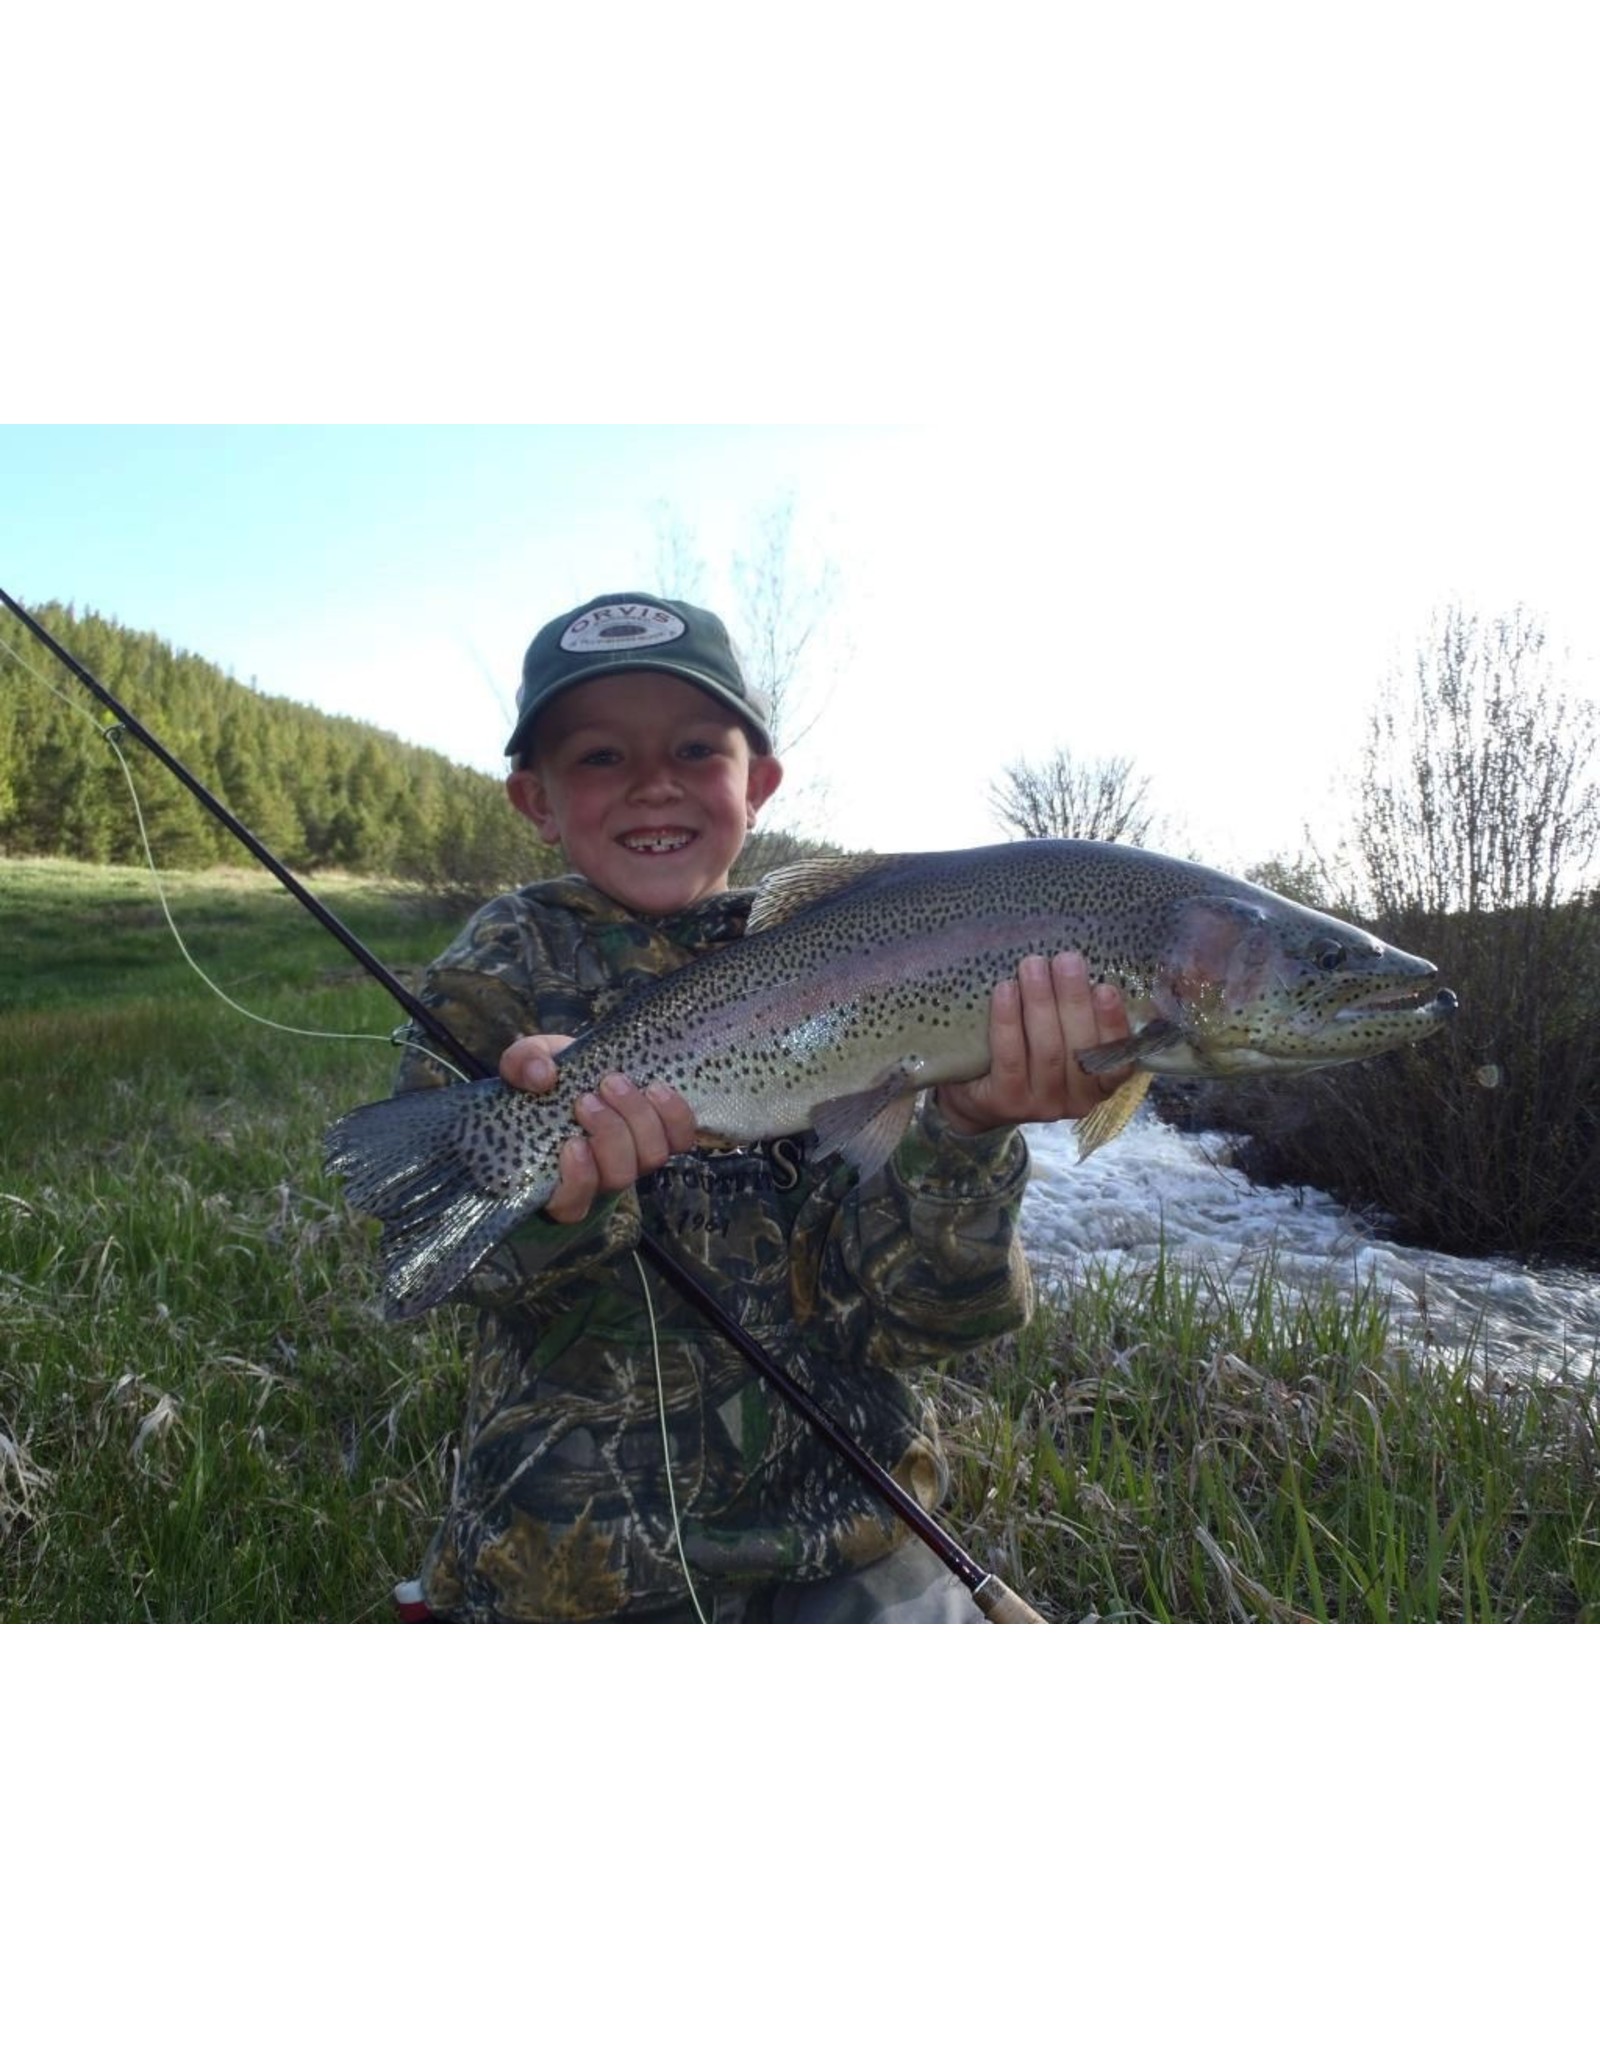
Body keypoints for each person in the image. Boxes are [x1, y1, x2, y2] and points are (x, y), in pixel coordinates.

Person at [389, 591, 1131, 1622]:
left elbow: (928, 1320)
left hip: (850, 1528)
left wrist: (968, 1130)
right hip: (568, 1547)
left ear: (760, 784)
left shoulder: (876, 958)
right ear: (534, 800)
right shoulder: (497, 972)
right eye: (601, 756)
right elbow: (442, 1259)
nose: (653, 784)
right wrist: (566, 1202)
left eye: (697, 749)